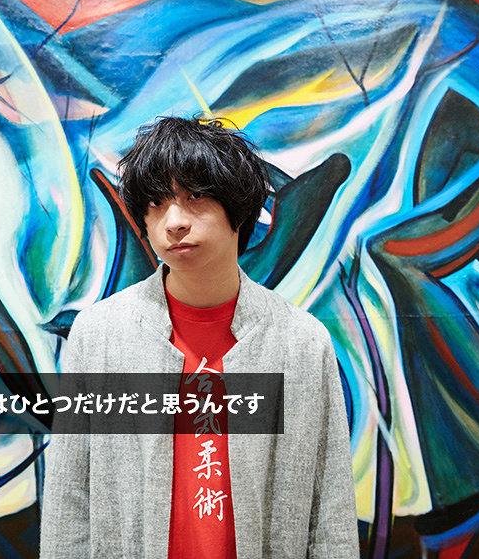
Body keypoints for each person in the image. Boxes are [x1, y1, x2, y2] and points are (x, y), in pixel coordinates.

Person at [40, 117, 358, 558]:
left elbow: (331, 509)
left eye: (195, 197)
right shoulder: (100, 336)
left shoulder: (300, 342)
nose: (174, 221)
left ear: (238, 209)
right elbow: (68, 498)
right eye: (156, 202)